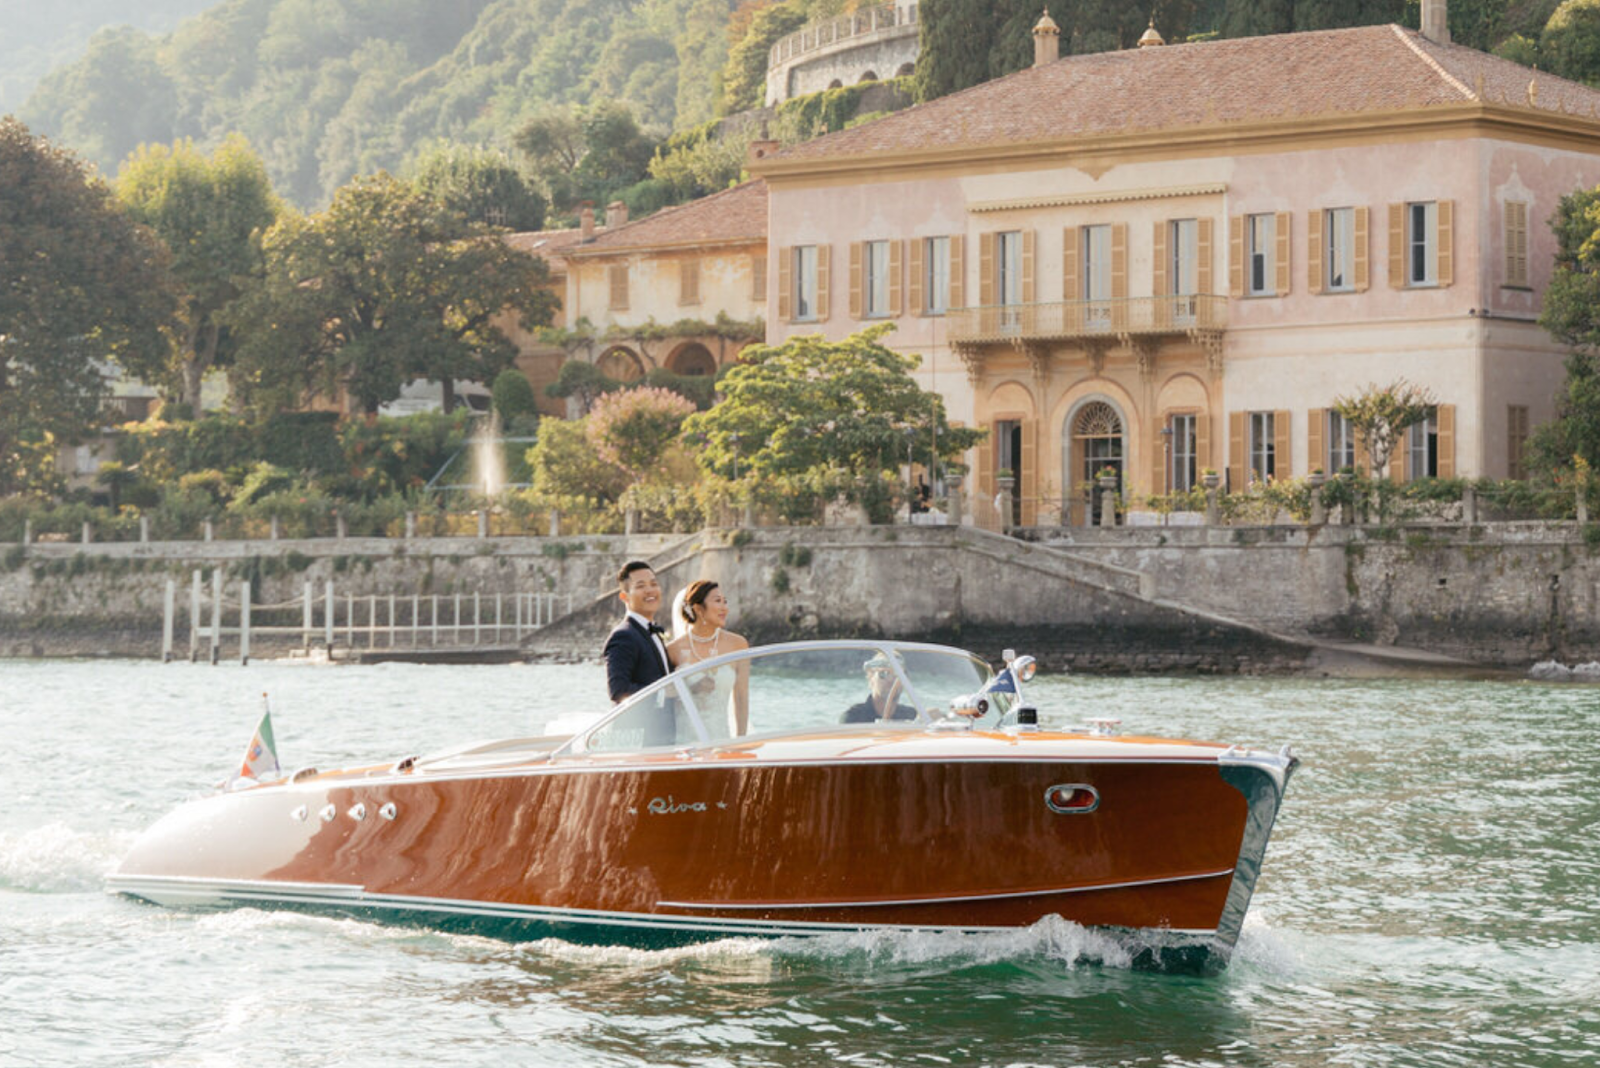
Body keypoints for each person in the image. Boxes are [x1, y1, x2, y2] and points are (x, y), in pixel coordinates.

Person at [667, 580, 750, 736]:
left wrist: (741, 741)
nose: (724, 608)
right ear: (698, 609)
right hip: (684, 742)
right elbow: (663, 696)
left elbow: (741, 697)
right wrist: (691, 688)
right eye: (717, 601)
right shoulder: (673, 650)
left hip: (721, 739)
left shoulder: (738, 645)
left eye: (725, 602)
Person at [603, 561, 670, 704]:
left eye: (653, 584)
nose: (650, 590)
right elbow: (618, 690)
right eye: (640, 586)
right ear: (624, 597)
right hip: (641, 724)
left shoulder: (653, 631)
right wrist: (665, 692)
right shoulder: (623, 636)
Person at [841, 652, 918, 723]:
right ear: (870, 678)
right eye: (883, 673)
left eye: (897, 674)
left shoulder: (912, 716)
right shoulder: (853, 718)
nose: (890, 679)